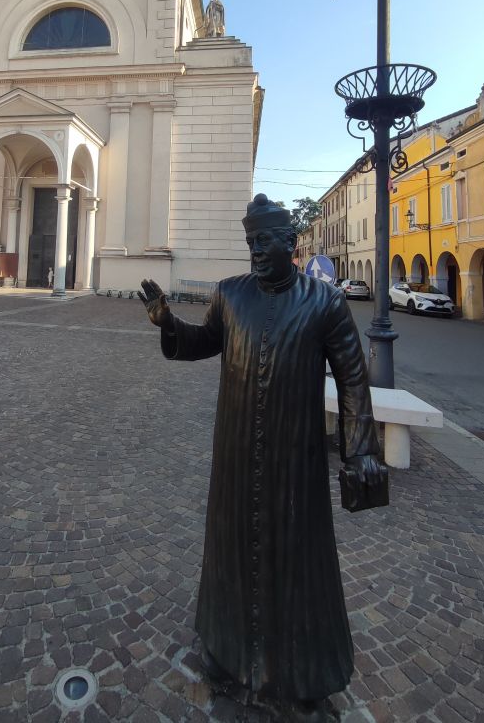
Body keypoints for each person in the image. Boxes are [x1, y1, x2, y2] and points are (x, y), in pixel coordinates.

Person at [139, 194, 383, 723]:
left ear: (290, 243)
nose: (255, 250)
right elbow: (203, 342)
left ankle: (303, 676)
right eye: (250, 242)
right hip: (234, 453)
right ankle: (226, 651)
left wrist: (362, 451)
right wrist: (167, 323)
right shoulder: (230, 295)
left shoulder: (324, 302)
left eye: (264, 241)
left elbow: (353, 379)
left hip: (295, 460)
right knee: (231, 551)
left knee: (298, 563)